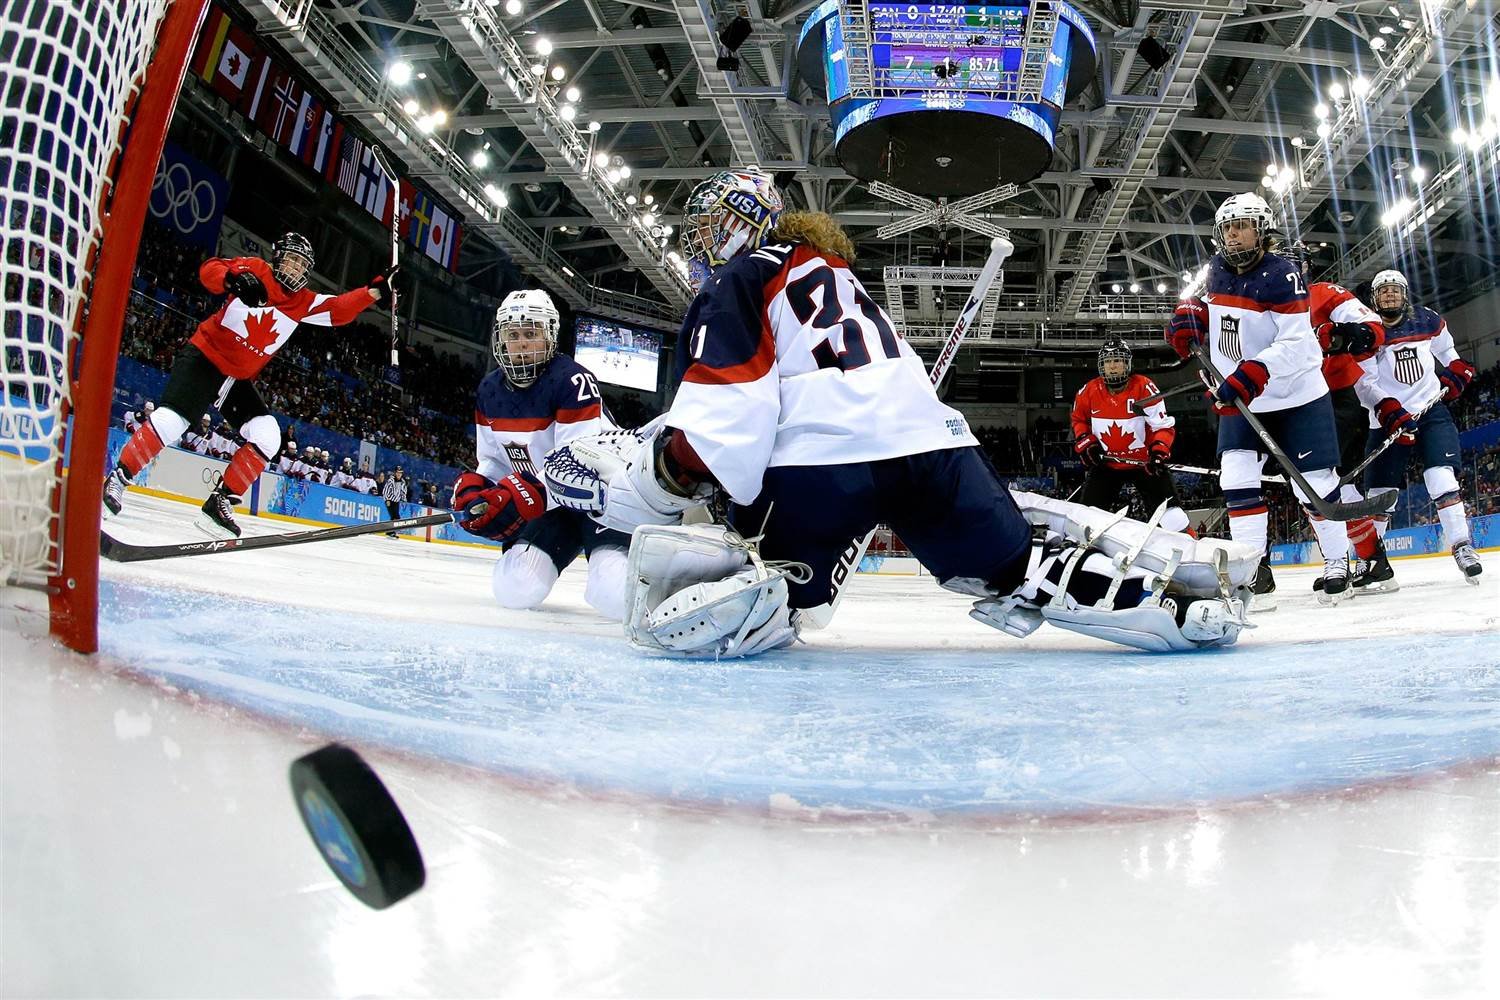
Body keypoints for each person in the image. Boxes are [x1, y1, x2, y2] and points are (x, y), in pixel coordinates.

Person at [544, 168, 1256, 657]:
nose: (700, 243)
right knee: (1013, 565)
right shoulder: (837, 274)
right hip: (933, 443)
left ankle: (777, 583)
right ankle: (1175, 604)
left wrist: (654, 483)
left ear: (741, 223)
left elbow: (726, 420)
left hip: (821, 463)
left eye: (707, 227)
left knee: (773, 591)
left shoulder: (743, 275)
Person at [103, 232, 398, 537]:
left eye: (301, 265)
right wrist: (233, 279)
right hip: (205, 358)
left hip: (236, 379)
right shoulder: (256, 269)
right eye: (291, 260)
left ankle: (219, 502)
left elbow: (338, 309)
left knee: (268, 436)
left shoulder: (303, 302)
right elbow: (210, 269)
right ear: (278, 258)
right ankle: (118, 479)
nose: (295, 269)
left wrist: (376, 291)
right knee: (171, 422)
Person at [1165, 192, 1355, 605]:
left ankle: (1338, 562)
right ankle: (1249, 576)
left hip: (1295, 394)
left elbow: (1301, 345)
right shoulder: (1214, 270)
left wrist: (1254, 372)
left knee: (1316, 486)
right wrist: (1188, 325)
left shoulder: (1282, 275)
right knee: (1236, 479)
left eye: (1242, 225)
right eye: (1227, 227)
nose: (1233, 234)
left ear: (1262, 231)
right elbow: (1204, 314)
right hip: (1242, 396)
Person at [449, 289, 630, 620]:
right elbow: (493, 459)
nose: (521, 343)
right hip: (553, 504)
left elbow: (580, 465)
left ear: (550, 336)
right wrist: (479, 485)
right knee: (515, 589)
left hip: (603, 503)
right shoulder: (489, 390)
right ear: (500, 339)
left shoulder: (572, 380)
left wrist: (521, 494)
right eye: (513, 335)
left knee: (615, 595)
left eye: (531, 334)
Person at [1281, 241, 1395, 593]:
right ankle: (1368, 559)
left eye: (1295, 264)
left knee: (1326, 481)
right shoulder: (1265, 308)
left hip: (1334, 397)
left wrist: (1349, 335)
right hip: (1291, 403)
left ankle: (1343, 562)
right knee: (1318, 486)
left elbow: (1371, 326)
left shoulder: (1324, 294)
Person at [1356, 269, 1482, 582]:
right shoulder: (1367, 331)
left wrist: (1456, 371)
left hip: (1429, 412)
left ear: (1405, 293)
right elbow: (1365, 384)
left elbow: (1449, 355)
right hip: (1387, 420)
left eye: (1395, 290)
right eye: (1383, 291)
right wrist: (1389, 411)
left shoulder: (1427, 320)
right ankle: (1370, 560)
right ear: (1374, 298)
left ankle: (1462, 546)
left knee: (1440, 476)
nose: (1389, 295)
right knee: (1380, 494)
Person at [1070, 338, 1192, 534]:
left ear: (1127, 364)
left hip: (1144, 464)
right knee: (1087, 517)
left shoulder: (1144, 387)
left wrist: (1158, 453)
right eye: (1108, 361)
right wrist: (1087, 444)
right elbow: (1078, 420)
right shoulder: (1089, 391)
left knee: (1173, 517)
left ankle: (1191, 548)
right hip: (1106, 464)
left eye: (1117, 361)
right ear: (1101, 366)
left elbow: (1162, 426)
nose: (1113, 366)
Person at [382, 466, 408, 537]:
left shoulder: (403, 482)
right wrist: (387, 499)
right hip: (390, 500)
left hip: (396, 501)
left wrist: (404, 499)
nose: (399, 474)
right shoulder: (391, 480)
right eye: (397, 472)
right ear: (395, 473)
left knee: (395, 517)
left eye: (400, 473)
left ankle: (390, 531)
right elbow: (385, 491)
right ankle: (391, 531)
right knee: (395, 516)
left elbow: (403, 492)